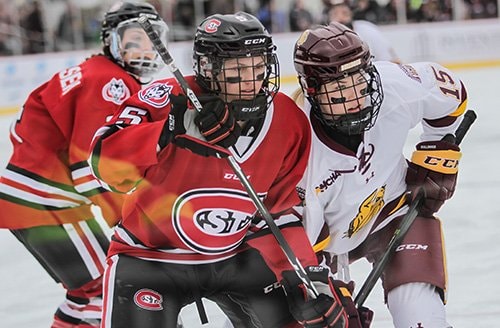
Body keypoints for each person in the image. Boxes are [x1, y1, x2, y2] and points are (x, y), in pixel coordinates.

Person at [88, 12, 366, 328]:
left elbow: (279, 210)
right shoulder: (169, 98)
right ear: (207, 68)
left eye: (258, 67)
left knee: (308, 319)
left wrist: (303, 274)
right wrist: (170, 130)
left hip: (237, 255)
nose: (251, 80)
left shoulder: (288, 120)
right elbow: (102, 163)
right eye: (237, 69)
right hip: (151, 256)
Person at [0, 2, 168, 327]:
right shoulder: (109, 82)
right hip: (47, 205)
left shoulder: (97, 73)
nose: (145, 48)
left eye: (151, 38)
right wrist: (132, 222)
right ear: (111, 41)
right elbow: (90, 166)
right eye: (134, 39)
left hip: (38, 201)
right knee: (105, 291)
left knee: (88, 293)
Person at [292, 22, 468, 328]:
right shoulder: (297, 144)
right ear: (312, 90)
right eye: (338, 89)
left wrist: (439, 149)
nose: (355, 96)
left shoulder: (393, 85)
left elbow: (453, 95)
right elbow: (300, 249)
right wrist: (325, 293)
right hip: (319, 245)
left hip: (394, 213)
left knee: (421, 317)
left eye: (358, 80)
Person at [325, 0, 400, 63]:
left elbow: (391, 60)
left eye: (344, 13)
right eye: (335, 14)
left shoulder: (367, 29)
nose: (340, 18)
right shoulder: (325, 40)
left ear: (351, 15)